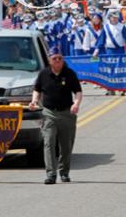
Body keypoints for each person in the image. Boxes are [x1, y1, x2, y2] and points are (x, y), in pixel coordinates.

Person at [29, 48, 82, 185]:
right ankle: (51, 174)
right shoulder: (44, 74)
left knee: (66, 145)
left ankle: (64, 173)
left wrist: (76, 104)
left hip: (66, 113)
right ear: (49, 60)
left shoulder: (69, 74)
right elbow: (37, 89)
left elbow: (77, 91)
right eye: (55, 59)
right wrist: (34, 101)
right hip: (49, 113)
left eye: (60, 58)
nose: (58, 61)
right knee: (49, 142)